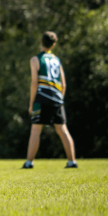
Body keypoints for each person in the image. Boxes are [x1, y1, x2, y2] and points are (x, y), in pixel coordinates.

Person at [22, 31, 78, 169]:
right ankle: (72, 161)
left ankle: (29, 162)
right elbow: (63, 84)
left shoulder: (35, 60)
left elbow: (35, 83)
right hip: (57, 99)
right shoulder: (57, 60)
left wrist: (31, 103)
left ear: (41, 42)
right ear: (53, 45)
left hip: (42, 98)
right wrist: (60, 100)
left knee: (36, 130)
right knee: (62, 129)